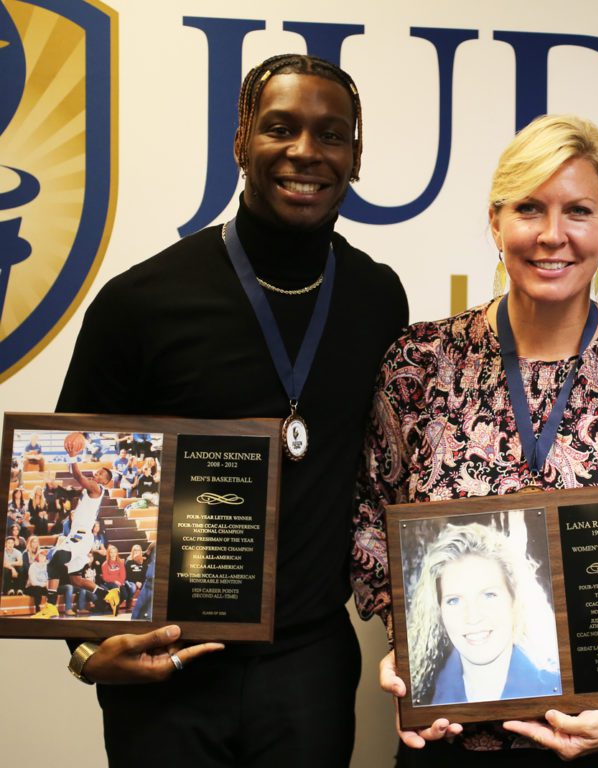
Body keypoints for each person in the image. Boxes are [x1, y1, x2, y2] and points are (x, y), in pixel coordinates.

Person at [54, 53, 407, 766]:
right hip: (168, 665)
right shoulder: (142, 302)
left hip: (308, 663)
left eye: (332, 134)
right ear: (242, 140)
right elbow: (68, 481)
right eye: (282, 128)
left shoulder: (377, 299)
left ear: (356, 155)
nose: (307, 152)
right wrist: (86, 645)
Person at [354, 113, 598, 764]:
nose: (552, 235)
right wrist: (409, 645)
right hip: (455, 743)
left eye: (577, 211)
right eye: (529, 208)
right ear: (495, 223)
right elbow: (375, 519)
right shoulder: (420, 363)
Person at [406, 522, 560, 706]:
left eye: (488, 595)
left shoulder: (557, 687)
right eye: (454, 600)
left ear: (513, 599)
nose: (472, 617)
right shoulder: (423, 700)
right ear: (438, 612)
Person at [33, 437, 120, 619]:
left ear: (104, 481)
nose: (95, 476)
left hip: (80, 537)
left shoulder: (96, 488)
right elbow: (73, 485)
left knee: (55, 558)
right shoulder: (91, 491)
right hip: (80, 536)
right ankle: (108, 594)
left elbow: (78, 476)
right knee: (75, 579)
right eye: (95, 473)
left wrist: (73, 457)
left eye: (99, 475)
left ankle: (50, 606)